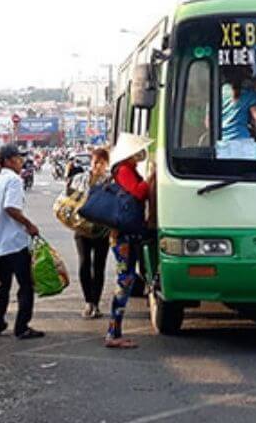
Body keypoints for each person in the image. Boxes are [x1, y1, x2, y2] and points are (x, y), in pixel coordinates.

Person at [0, 144, 44, 340]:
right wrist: (29, 225)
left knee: (3, 285)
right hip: (15, 242)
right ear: (7, 161)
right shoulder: (14, 180)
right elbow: (11, 207)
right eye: (17, 158)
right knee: (25, 285)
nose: (21, 162)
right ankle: (22, 327)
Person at [105, 133, 154, 349]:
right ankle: (113, 334)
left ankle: (114, 331)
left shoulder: (128, 169)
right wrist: (151, 179)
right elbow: (137, 193)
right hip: (122, 236)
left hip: (126, 234)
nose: (140, 154)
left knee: (125, 280)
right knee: (124, 281)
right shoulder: (124, 170)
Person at [69, 147, 111, 319]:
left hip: (102, 230)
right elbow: (70, 198)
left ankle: (96, 303)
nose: (98, 165)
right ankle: (88, 302)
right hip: (82, 229)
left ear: (106, 163)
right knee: (84, 264)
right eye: (96, 162)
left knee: (99, 267)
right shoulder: (80, 179)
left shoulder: (110, 181)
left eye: (102, 162)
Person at [221, 65, 256, 142]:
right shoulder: (250, 94)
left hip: (223, 143)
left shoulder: (217, 92)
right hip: (243, 143)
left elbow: (208, 122)